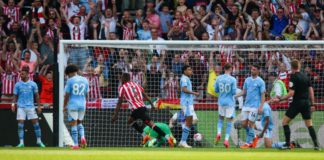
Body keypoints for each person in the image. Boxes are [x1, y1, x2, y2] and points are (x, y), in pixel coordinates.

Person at [112, 73, 174, 147]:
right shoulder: (136, 84)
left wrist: (115, 115)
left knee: (152, 125)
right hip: (142, 107)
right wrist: (152, 105)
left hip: (137, 109)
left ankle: (168, 138)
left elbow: (119, 102)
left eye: (121, 78)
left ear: (124, 79)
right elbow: (145, 95)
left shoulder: (123, 87)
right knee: (130, 121)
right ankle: (145, 136)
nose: (120, 79)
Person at [272, 60, 320, 150]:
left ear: (292, 67)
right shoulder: (305, 76)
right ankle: (316, 145)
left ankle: (287, 144)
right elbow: (311, 90)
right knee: (309, 124)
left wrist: (280, 99)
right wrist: (312, 103)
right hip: (306, 103)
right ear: (299, 66)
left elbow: (291, 93)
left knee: (285, 122)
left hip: (297, 102)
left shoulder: (293, 77)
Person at [12, 66, 45, 148]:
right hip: (21, 107)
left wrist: (39, 106)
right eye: (20, 74)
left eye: (22, 74)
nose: (21, 75)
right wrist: (13, 104)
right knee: (20, 125)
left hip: (31, 107)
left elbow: (37, 96)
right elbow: (15, 96)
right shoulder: (17, 84)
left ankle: (39, 141)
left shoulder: (33, 84)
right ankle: (21, 143)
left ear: (27, 74)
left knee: (36, 124)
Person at [235, 64, 266, 149]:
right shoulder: (247, 80)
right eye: (252, 69)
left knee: (250, 124)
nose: (252, 71)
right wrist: (235, 96)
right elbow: (244, 91)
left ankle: (248, 143)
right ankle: (255, 136)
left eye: (254, 69)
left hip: (254, 106)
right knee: (244, 124)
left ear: (258, 71)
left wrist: (261, 106)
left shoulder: (261, 82)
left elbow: (263, 95)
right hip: (246, 105)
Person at [64, 64, 89, 149]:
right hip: (82, 104)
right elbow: (87, 94)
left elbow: (67, 95)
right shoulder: (85, 80)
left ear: (69, 73)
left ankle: (75, 144)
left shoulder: (70, 81)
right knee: (79, 123)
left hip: (73, 104)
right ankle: (82, 137)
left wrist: (64, 106)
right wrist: (87, 104)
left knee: (73, 124)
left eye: (67, 74)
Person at [214, 63, 237, 148]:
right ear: (230, 69)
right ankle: (226, 140)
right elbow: (234, 92)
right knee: (229, 121)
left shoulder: (218, 78)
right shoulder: (233, 79)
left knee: (220, 119)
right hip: (229, 102)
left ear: (224, 69)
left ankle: (219, 133)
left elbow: (216, 90)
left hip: (221, 102)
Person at [178, 65, 199, 148]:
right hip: (186, 103)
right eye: (189, 69)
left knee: (190, 121)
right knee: (189, 121)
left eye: (191, 69)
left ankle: (182, 141)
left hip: (188, 103)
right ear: (184, 71)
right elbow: (184, 89)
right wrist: (194, 93)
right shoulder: (184, 79)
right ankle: (183, 141)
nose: (191, 71)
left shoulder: (186, 78)